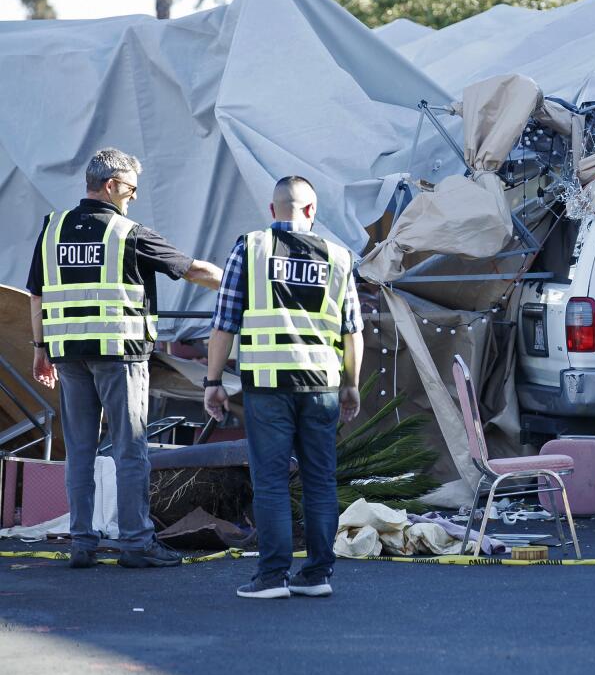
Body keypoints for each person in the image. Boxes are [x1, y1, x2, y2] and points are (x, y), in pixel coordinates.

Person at [27, 147, 224, 569]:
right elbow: (192, 270)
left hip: (68, 355)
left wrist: (41, 349)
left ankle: (82, 543)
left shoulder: (54, 228)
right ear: (112, 185)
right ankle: (137, 543)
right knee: (130, 450)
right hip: (120, 355)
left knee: (79, 450)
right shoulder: (127, 233)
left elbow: (37, 294)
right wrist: (242, 286)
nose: (133, 198)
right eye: (131, 189)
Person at [204, 175, 362, 600]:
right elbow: (352, 332)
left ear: (272, 211)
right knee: (320, 480)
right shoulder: (338, 256)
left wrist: (214, 382)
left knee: (271, 481)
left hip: (268, 386)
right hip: (323, 386)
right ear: (312, 211)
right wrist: (352, 385)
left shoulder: (251, 249)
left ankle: (272, 577)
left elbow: (224, 324)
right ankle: (317, 574)